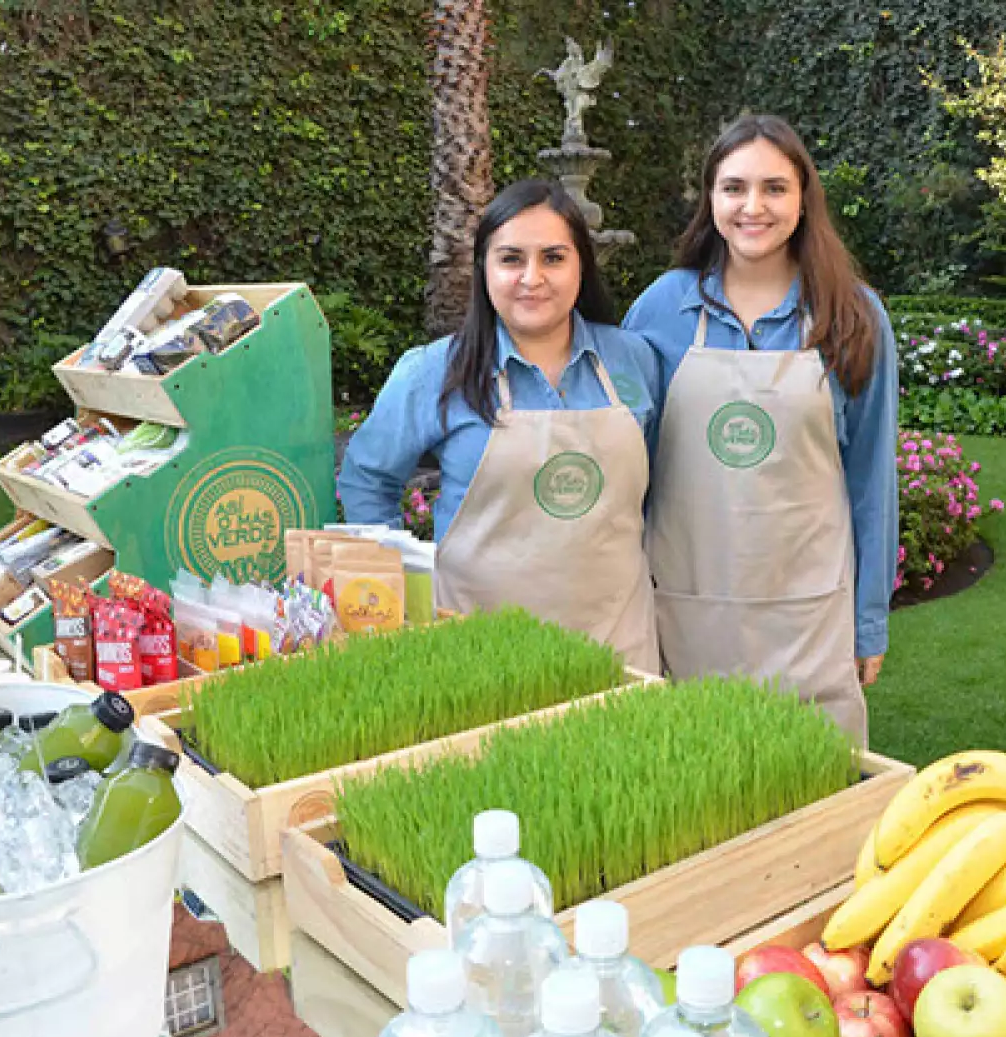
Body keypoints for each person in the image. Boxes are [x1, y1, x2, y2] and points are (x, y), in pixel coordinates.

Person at [622, 114, 899, 746]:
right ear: (710, 199)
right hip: (686, 608)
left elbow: (872, 479)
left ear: (804, 198)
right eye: (734, 187)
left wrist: (869, 623)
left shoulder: (851, 314)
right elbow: (628, 469)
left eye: (775, 188)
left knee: (810, 798)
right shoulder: (661, 309)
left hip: (809, 613)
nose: (754, 206)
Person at [338, 179, 662, 673]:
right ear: (484, 270)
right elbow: (366, 479)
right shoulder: (433, 372)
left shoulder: (633, 359)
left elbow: (659, 483)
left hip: (618, 644)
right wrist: (400, 591)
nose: (532, 277)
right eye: (511, 259)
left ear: (582, 267)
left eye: (553, 258)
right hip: (476, 652)